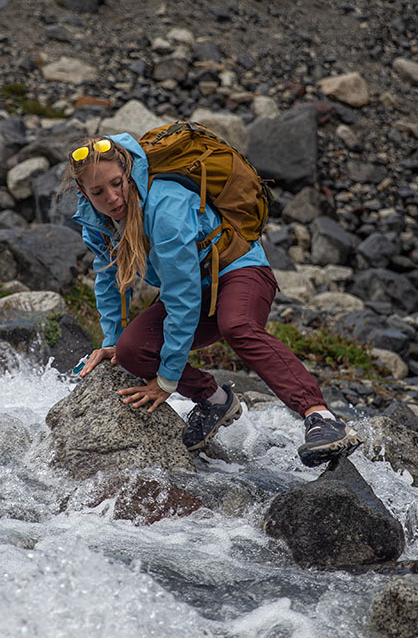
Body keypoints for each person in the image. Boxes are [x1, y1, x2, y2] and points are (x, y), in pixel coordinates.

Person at [65, 132, 362, 467]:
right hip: (197, 287)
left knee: (237, 325)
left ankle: (321, 417)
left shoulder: (165, 207)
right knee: (132, 351)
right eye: (98, 192)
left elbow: (182, 298)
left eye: (117, 183)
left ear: (128, 173)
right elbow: (110, 279)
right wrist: (112, 342)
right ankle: (215, 401)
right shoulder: (96, 221)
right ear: (83, 193)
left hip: (240, 270)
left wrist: (167, 381)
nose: (112, 198)